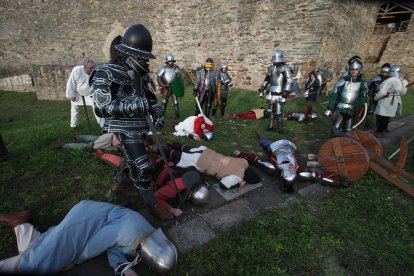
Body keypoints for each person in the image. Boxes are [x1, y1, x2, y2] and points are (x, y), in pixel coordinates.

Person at [90, 23, 170, 220]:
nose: (144, 61)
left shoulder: (140, 75)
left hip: (140, 125)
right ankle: (151, 204)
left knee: (132, 158)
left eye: (145, 57)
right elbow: (102, 106)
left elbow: (149, 98)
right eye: (141, 57)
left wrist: (157, 110)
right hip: (123, 126)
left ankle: (120, 186)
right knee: (144, 166)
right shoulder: (106, 72)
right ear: (128, 53)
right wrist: (132, 105)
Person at [0, 200, 178, 275]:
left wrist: (122, 268)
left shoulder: (147, 234)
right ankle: (20, 226)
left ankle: (21, 225)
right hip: (89, 217)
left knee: (40, 251)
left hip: (93, 217)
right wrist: (75, 260)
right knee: (37, 264)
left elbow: (114, 244)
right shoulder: (134, 234)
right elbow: (96, 245)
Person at [165, 142, 261, 189]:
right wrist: (238, 185)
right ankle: (159, 150)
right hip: (202, 162)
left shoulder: (244, 162)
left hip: (209, 153)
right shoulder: (238, 177)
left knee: (190, 150)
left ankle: (172, 143)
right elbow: (223, 185)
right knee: (181, 157)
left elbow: (246, 159)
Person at [234, 132, 299, 193]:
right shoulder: (295, 167)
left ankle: (260, 136)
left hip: (274, 149)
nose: (290, 168)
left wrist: (241, 154)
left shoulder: (271, 167)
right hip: (287, 150)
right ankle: (291, 141)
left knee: (264, 142)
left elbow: (255, 160)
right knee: (289, 145)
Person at [324, 56, 368, 134]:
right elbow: (334, 95)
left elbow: (363, 98)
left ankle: (345, 144)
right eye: (351, 69)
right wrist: (330, 108)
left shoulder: (362, 84)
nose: (353, 71)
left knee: (348, 129)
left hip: (352, 109)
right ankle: (334, 143)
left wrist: (359, 109)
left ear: (359, 70)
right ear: (349, 70)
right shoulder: (343, 81)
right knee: (336, 128)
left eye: (355, 69)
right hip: (340, 107)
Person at [258, 49, 293, 132]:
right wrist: (263, 86)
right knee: (270, 111)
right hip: (271, 91)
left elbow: (289, 80)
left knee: (278, 112)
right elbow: (267, 78)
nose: (275, 62)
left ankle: (280, 129)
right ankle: (270, 127)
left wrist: (286, 91)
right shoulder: (272, 68)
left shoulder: (286, 68)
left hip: (280, 91)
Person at [66, 59, 105, 129]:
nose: (93, 70)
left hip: (90, 94)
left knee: (97, 109)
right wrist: (71, 95)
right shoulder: (76, 70)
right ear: (84, 67)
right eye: (91, 68)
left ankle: (103, 126)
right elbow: (70, 82)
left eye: (94, 68)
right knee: (74, 110)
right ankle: (73, 126)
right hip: (77, 94)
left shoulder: (96, 72)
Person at [373, 65, 408, 138]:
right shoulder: (402, 81)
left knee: (381, 116)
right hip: (394, 99)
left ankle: (379, 131)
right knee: (387, 116)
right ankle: (384, 129)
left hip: (386, 99)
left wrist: (375, 98)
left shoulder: (390, 80)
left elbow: (383, 92)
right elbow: (403, 92)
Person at [157, 53, 183, 118]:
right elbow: (159, 78)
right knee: (164, 102)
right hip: (166, 88)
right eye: (169, 61)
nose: (171, 62)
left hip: (174, 88)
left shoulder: (176, 69)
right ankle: (162, 116)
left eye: (172, 61)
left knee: (176, 102)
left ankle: (177, 116)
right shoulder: (163, 69)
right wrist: (163, 85)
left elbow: (180, 79)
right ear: (167, 62)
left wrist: (179, 87)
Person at [365, 63, 391, 129]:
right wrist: (367, 94)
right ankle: (367, 124)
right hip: (374, 98)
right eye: (383, 72)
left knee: (382, 114)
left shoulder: (390, 80)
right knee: (370, 111)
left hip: (385, 99)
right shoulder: (376, 79)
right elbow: (369, 88)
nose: (384, 74)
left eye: (386, 73)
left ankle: (381, 127)